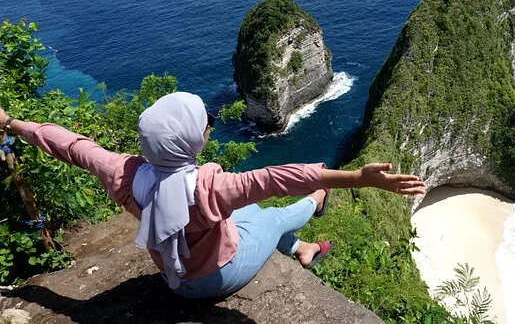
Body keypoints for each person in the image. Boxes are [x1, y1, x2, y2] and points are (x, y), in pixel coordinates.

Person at [0, 92, 425, 299]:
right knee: (276, 213)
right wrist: (355, 178)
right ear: (190, 142)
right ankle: (317, 205)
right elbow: (277, 179)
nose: (209, 124)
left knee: (251, 207)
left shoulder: (124, 173)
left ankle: (302, 249)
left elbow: (71, 145)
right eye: (206, 123)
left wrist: (11, 124)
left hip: (173, 277)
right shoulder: (208, 187)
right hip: (215, 278)